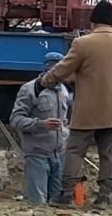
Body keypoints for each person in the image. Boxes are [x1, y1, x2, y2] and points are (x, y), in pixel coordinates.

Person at [40, 0, 112, 209]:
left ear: (93, 22)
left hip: (86, 112)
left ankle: (67, 194)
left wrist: (44, 82)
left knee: (75, 151)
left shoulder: (83, 43)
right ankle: (105, 197)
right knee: (109, 154)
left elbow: (63, 69)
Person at [8, 51, 72, 206]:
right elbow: (15, 119)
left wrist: (66, 131)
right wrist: (41, 124)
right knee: (38, 203)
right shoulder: (29, 90)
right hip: (37, 154)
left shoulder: (64, 91)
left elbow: (67, 119)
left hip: (59, 155)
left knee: (57, 204)